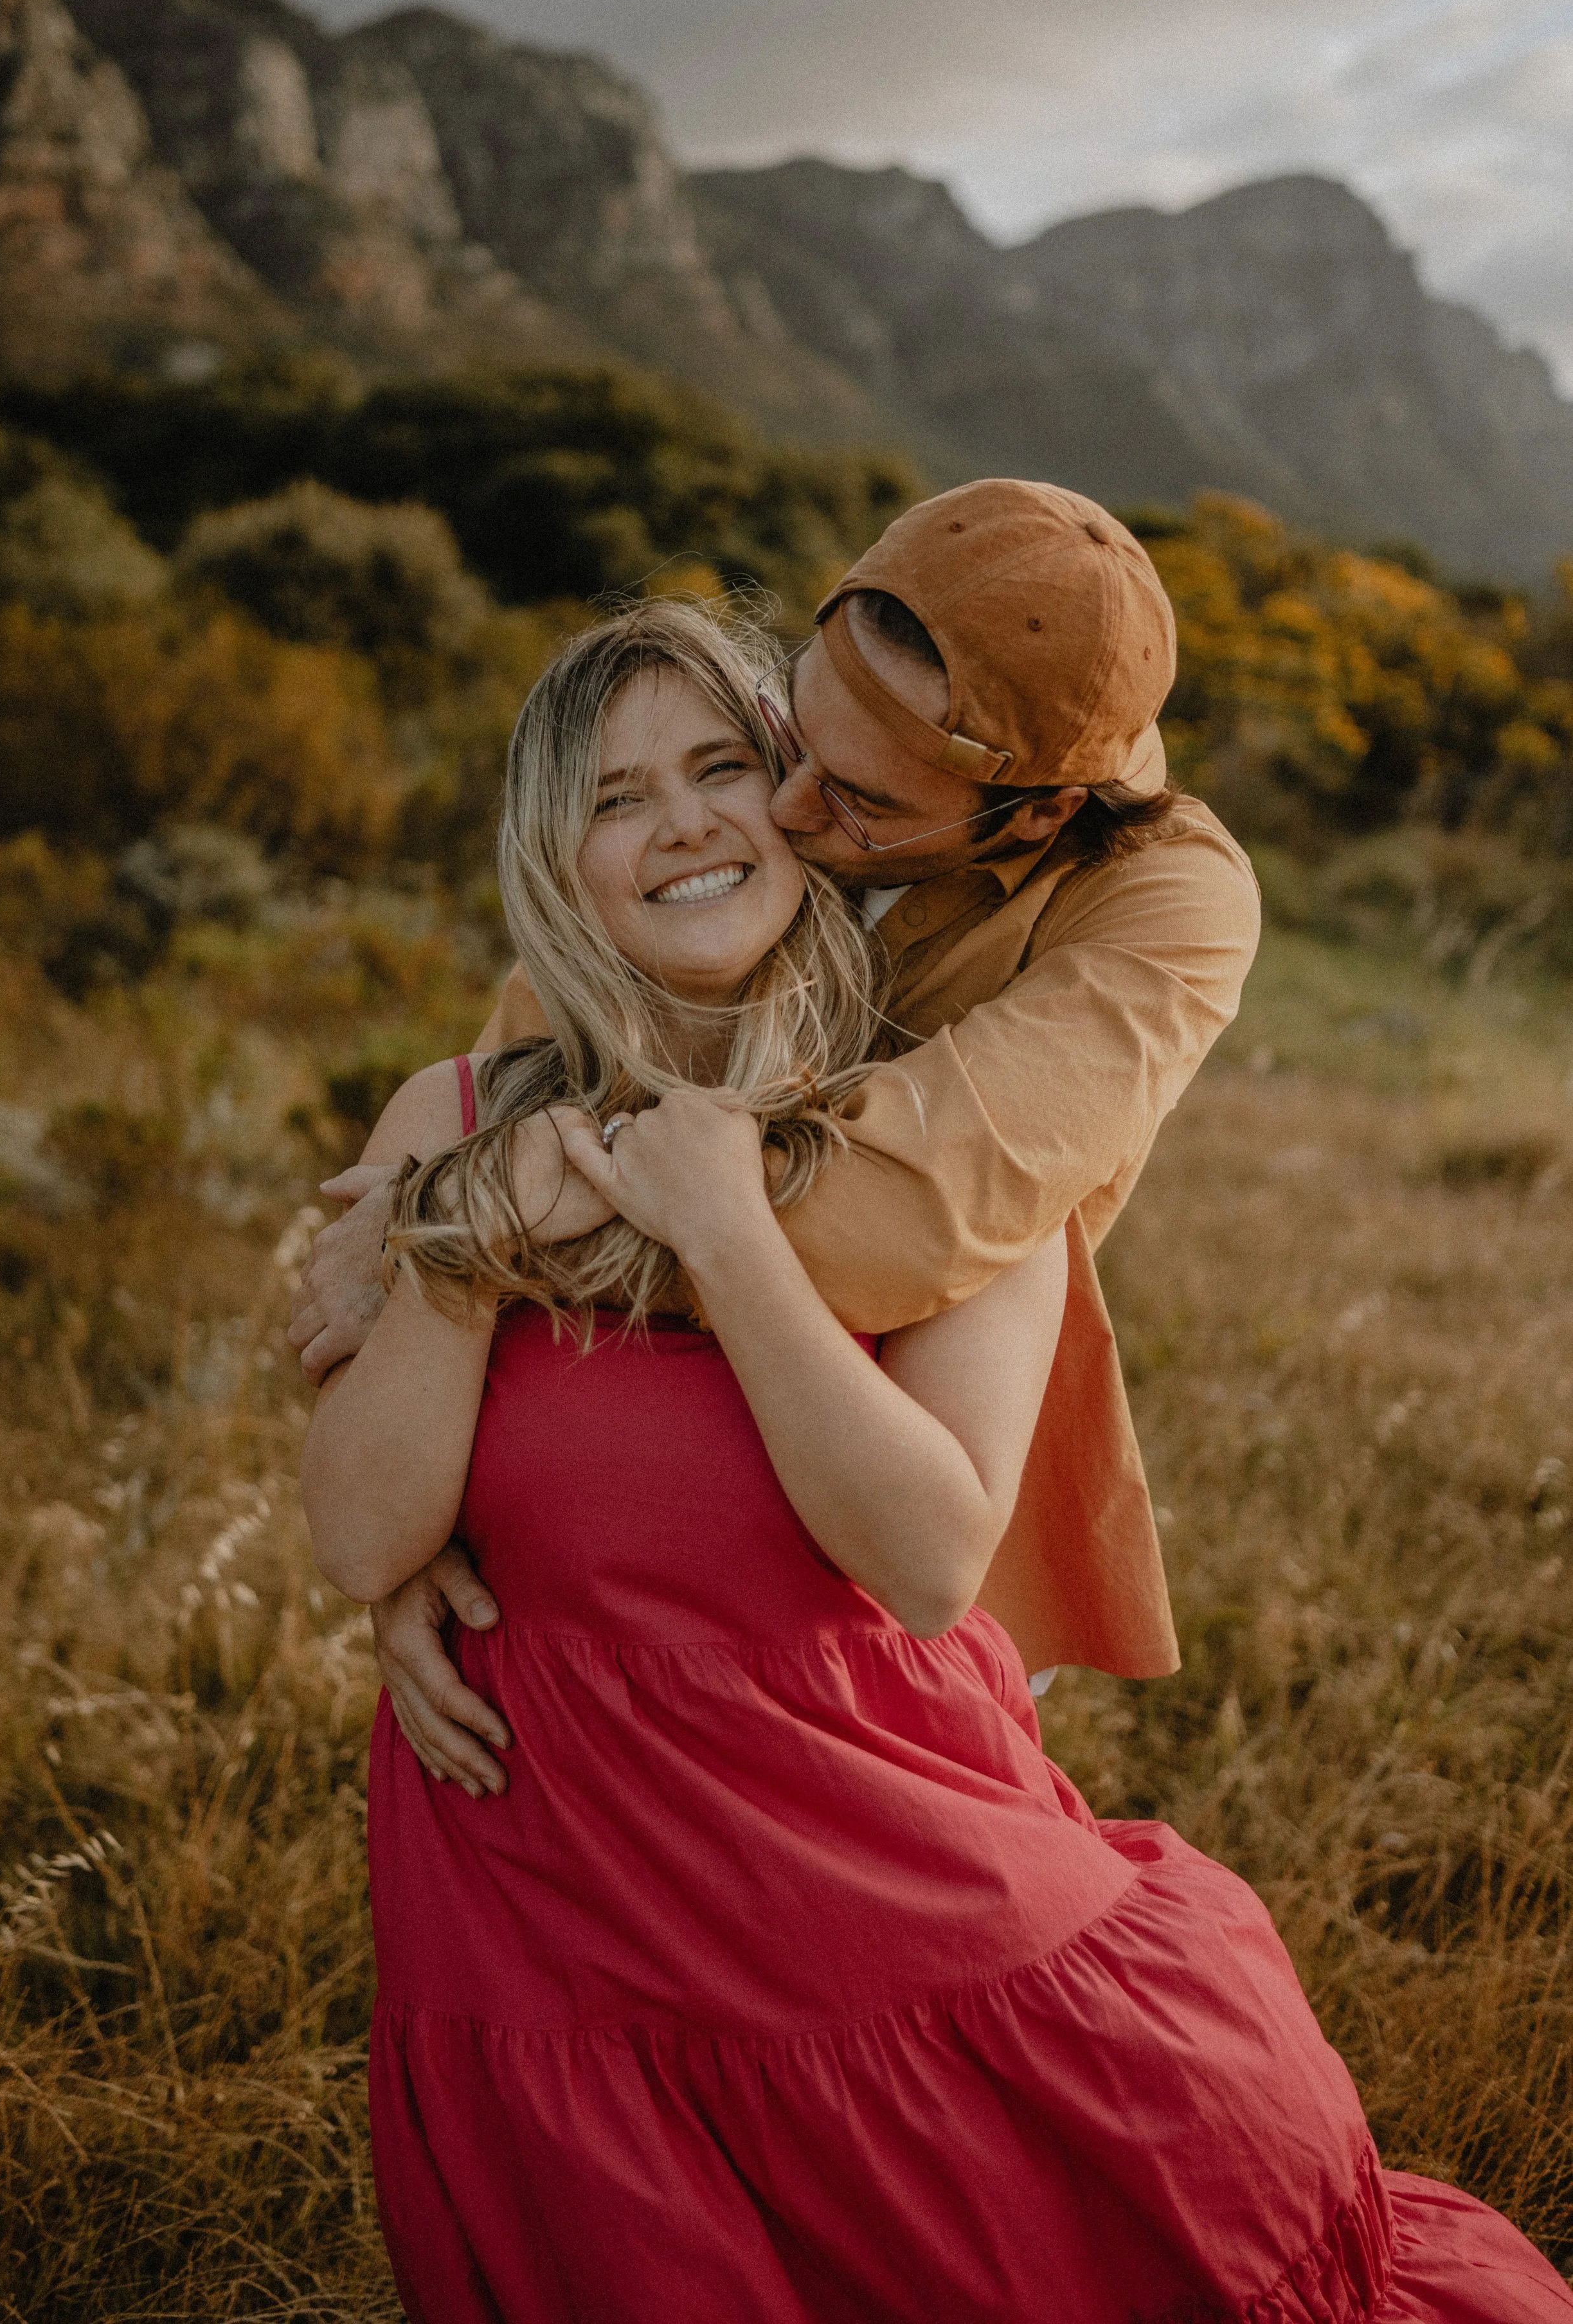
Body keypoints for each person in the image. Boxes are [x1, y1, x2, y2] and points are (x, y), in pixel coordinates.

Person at [300, 592, 1571, 2323]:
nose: (677, 822)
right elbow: (365, 1530)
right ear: (556, 854)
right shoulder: (452, 1117)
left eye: (720, 766)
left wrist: (733, 1239)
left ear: (801, 796)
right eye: (612, 796)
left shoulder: (950, 1137)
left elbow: (923, 1555)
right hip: (544, 1901)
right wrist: (462, 1240)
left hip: (866, 1867)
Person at [290, 480, 1261, 1794]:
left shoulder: (1168, 904)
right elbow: (564, 1027)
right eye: (780, 735)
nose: (789, 805)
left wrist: (468, 1235)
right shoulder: (751, 827)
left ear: (1025, 815)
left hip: (881, 1500)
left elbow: (904, 1214)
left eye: (853, 796)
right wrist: (435, 1469)